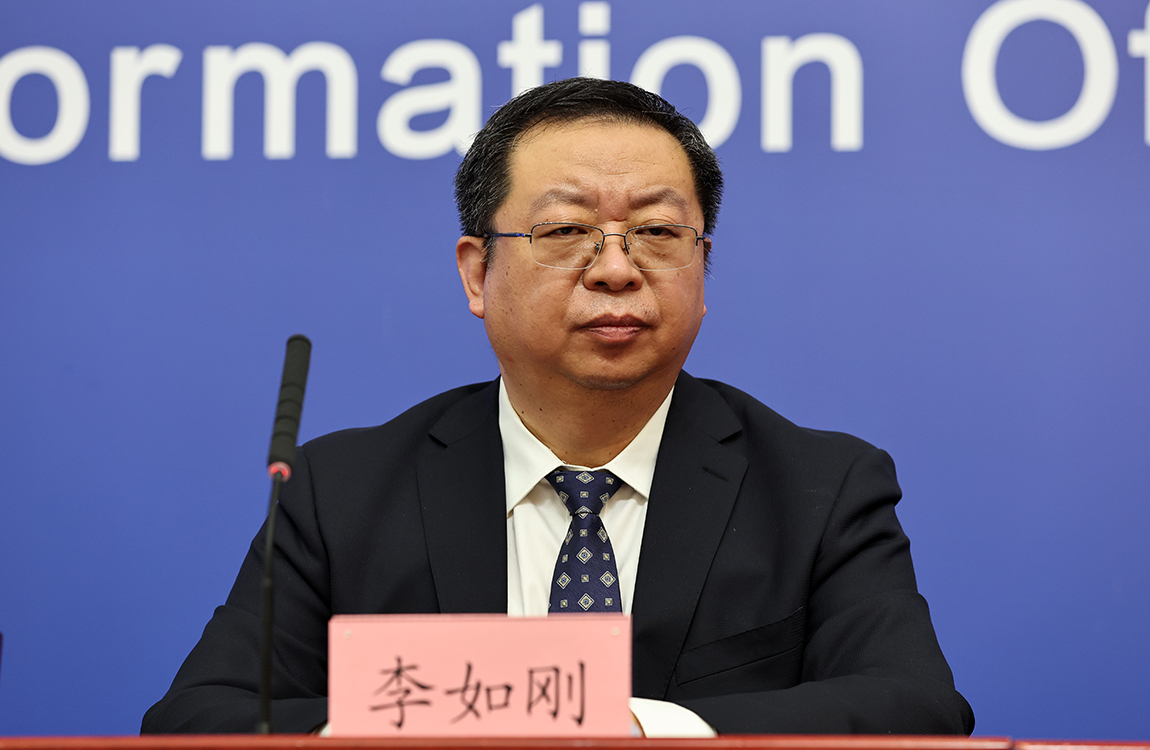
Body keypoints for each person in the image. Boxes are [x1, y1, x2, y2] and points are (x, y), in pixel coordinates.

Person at [141, 77, 974, 736]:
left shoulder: (819, 487)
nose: (615, 268)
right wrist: (445, 725)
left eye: (658, 232)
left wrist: (634, 729)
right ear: (477, 273)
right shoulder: (342, 490)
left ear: (703, 267)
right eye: (566, 230)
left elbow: (918, 709)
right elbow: (198, 721)